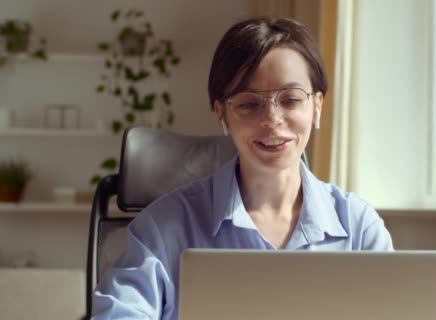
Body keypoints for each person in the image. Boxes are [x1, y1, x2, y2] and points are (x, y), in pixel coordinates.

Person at [92, 16, 393, 319]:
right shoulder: (162, 227)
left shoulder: (358, 226)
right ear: (222, 114)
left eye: (290, 100)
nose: (272, 119)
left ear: (316, 107)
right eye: (249, 104)